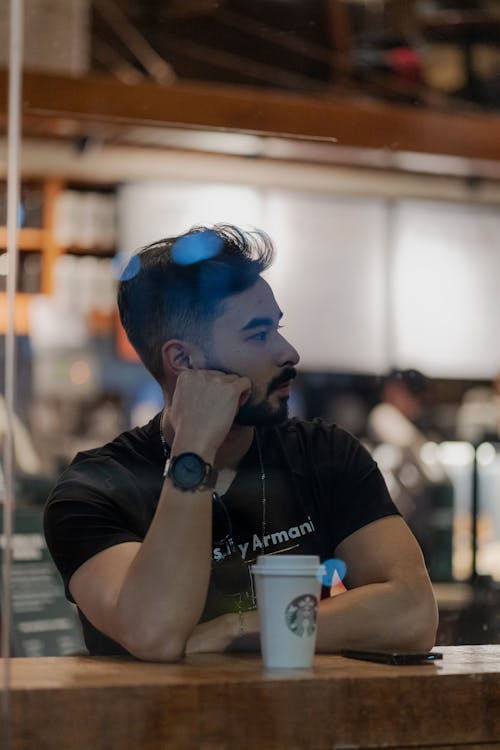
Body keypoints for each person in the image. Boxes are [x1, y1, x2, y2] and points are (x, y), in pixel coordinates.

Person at [44, 225, 438, 661]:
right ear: (184, 361)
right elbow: (154, 632)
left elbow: (414, 613)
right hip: (150, 728)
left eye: (278, 328)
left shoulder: (325, 454)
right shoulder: (96, 488)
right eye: (259, 334)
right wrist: (194, 449)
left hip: (299, 725)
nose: (289, 352)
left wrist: (239, 629)